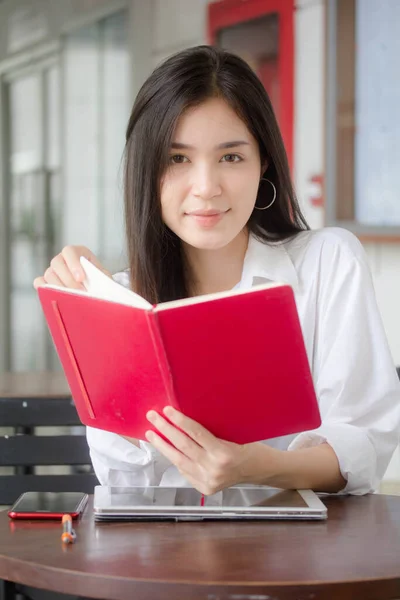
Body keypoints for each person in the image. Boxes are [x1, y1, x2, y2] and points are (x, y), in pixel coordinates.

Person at [34, 45, 400, 496]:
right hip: (164, 552)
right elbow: (121, 481)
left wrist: (257, 466)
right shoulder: (125, 299)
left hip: (303, 554)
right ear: (147, 172)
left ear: (263, 161)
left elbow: (364, 448)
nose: (206, 188)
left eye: (230, 157)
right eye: (178, 159)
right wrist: (96, 318)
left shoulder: (327, 262)